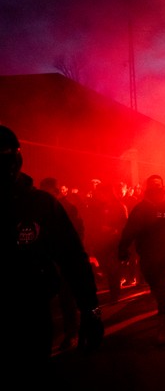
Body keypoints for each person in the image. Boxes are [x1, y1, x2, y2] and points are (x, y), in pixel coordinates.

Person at [1, 125, 103, 381]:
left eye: (4, 155)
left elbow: (72, 257)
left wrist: (91, 311)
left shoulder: (41, 205)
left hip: (30, 317)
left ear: (16, 158)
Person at [118, 174, 165, 345]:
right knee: (154, 284)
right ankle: (161, 303)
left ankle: (163, 321)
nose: (156, 187)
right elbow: (130, 229)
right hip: (147, 254)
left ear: (163, 186)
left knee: (163, 286)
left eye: (158, 184)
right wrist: (123, 248)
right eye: (152, 185)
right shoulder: (140, 208)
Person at [39, 176, 86, 351]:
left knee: (67, 299)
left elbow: (78, 232)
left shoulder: (68, 208)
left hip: (65, 260)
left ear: (56, 192)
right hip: (47, 260)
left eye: (46, 192)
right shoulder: (41, 207)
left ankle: (72, 334)